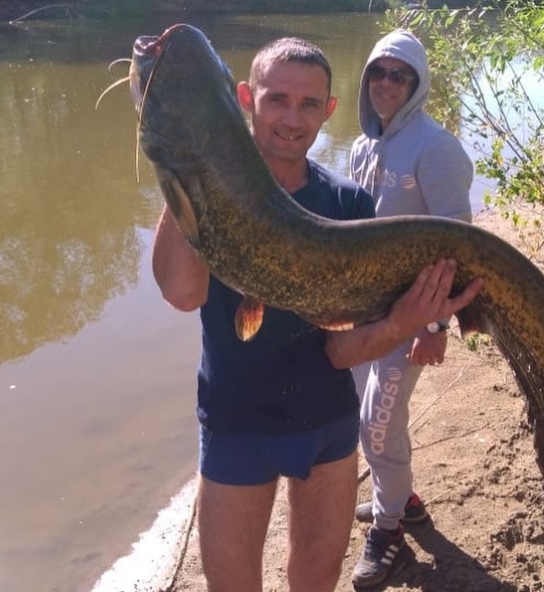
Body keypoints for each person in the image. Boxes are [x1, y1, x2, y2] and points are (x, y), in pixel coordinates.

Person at [151, 36, 484, 592]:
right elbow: (183, 294)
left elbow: (341, 349)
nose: (291, 118)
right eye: (277, 99)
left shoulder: (348, 204)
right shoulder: (209, 189)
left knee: (318, 577)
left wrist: (406, 323)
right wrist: (194, 162)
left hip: (327, 424)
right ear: (244, 99)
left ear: (329, 111)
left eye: (309, 105)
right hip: (236, 421)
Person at [348, 29, 475, 588]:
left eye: (400, 75)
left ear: (418, 83)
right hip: (363, 314)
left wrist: (437, 324)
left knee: (378, 424)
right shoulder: (360, 146)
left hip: (415, 315)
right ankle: (400, 498)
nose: (387, 83)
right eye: (379, 71)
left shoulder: (437, 148)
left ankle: (390, 533)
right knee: (373, 419)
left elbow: (461, 246)